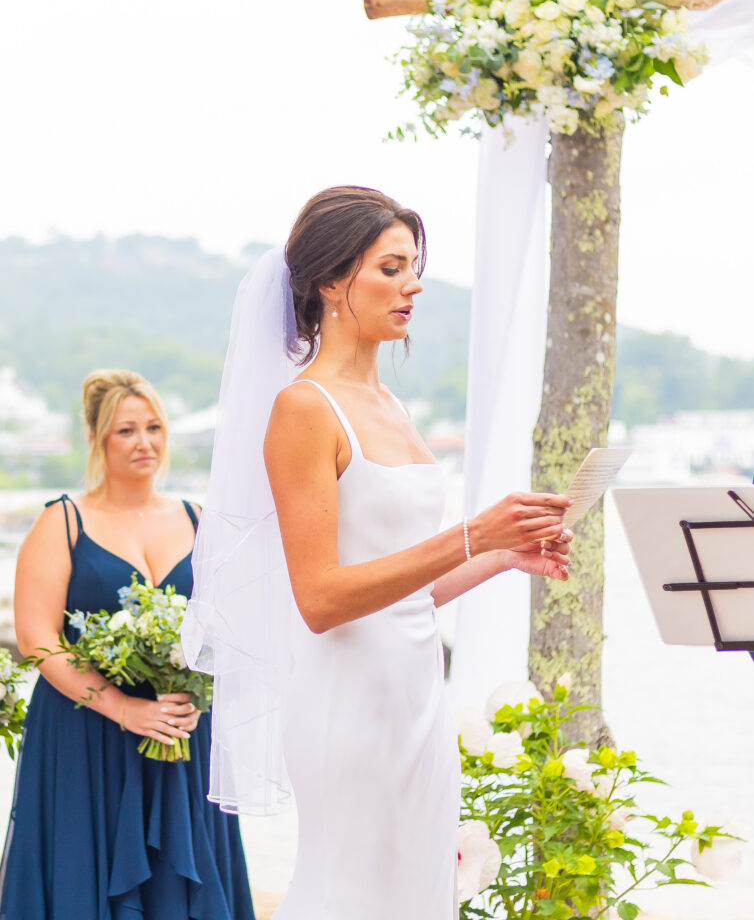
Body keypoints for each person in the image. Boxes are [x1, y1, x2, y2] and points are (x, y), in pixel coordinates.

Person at [184, 186, 572, 920]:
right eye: (391, 268)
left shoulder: (391, 405)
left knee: (418, 891)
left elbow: (404, 583)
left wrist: (503, 555)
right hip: (346, 702)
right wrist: (471, 535)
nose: (413, 285)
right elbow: (322, 599)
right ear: (332, 281)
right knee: (349, 894)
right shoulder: (304, 409)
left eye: (414, 267)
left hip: (417, 693)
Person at [0, 369, 255, 920]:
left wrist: (196, 685)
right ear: (95, 440)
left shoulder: (198, 521)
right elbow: (37, 639)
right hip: (85, 739)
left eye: (154, 427)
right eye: (125, 431)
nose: (145, 443)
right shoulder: (61, 522)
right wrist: (122, 708)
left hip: (180, 734)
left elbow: (231, 626)